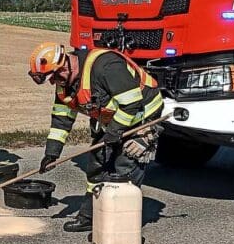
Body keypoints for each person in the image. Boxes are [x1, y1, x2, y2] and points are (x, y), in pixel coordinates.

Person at [28, 42, 164, 232]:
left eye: (56, 76)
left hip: (142, 116)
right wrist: (52, 153)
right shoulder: (64, 84)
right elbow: (61, 120)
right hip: (115, 120)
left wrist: (115, 132)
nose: (54, 82)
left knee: (125, 166)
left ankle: (120, 228)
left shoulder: (106, 66)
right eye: (51, 79)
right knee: (96, 164)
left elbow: (132, 104)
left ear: (66, 64)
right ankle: (90, 216)